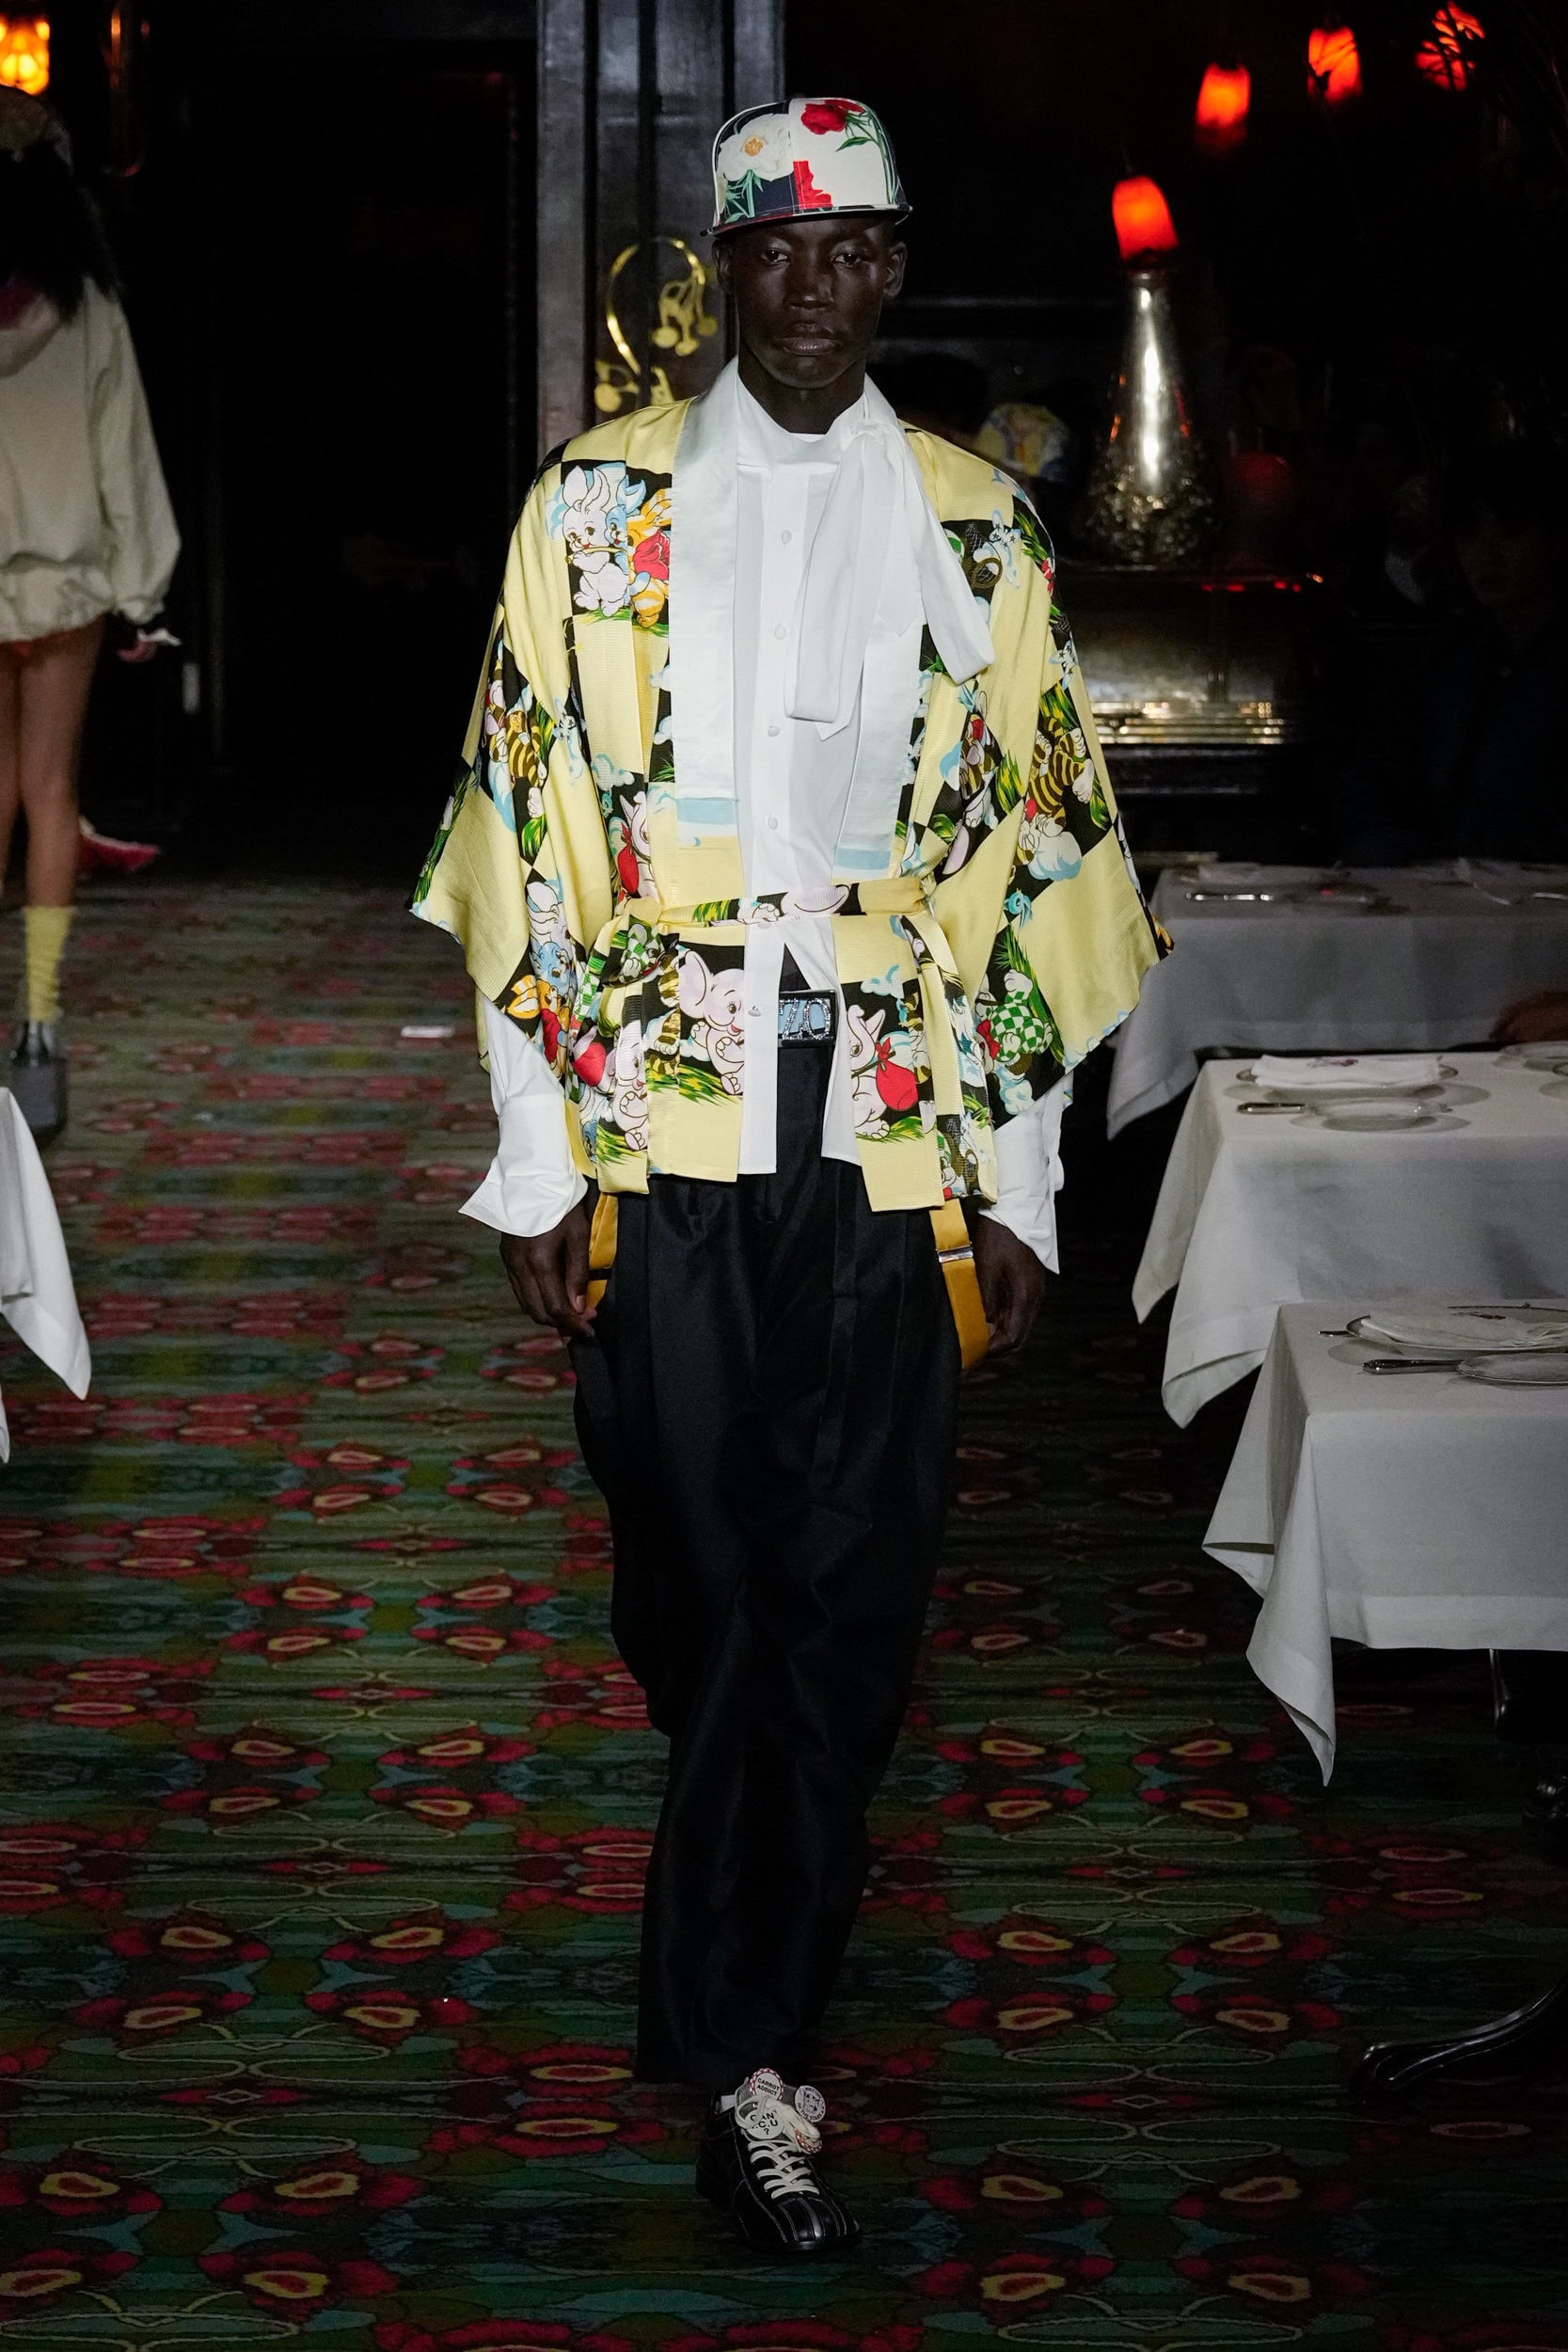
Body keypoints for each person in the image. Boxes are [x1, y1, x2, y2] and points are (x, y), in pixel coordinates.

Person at [413, 94, 1164, 2257]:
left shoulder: (978, 529)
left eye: (853, 248)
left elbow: (1026, 856)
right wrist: (538, 1159)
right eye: (775, 248)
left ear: (894, 269)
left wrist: (1021, 1180)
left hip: (892, 1125)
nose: (815, 284)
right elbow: (530, 840)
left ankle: (754, 2049)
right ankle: (749, 1930)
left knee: (842, 1590)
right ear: (720, 272)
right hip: (662, 1125)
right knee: (695, 1580)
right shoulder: (594, 512)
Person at [0, 89, 179, 1141]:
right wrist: (143, 594)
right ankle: (38, 1026)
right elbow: (125, 458)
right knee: (51, 791)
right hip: (64, 584)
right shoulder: (89, 309)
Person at [1337, 445, 1568, 866]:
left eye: (1511, 532)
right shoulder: (1449, 658)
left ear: (1555, 541)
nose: (1487, 554)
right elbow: (1382, 773)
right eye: (1470, 534)